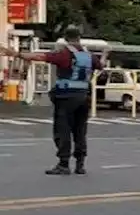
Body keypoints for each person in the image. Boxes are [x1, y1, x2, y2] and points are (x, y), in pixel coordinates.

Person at [3, 28, 107, 175]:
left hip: (66, 97)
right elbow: (101, 65)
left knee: (62, 130)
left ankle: (63, 164)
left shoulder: (64, 54)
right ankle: (80, 164)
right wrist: (105, 54)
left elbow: (39, 57)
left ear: (65, 38)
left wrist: (17, 54)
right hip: (84, 96)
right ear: (79, 38)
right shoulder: (89, 56)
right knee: (80, 131)